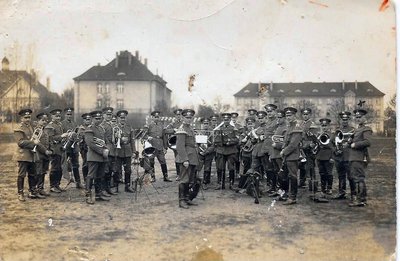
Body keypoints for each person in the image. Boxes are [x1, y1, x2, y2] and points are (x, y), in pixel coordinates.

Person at [14, 109, 41, 201]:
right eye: (25, 117)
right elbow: (20, 143)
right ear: (21, 118)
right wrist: (33, 142)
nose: (28, 119)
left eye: (29, 117)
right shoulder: (19, 128)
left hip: (31, 154)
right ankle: (20, 193)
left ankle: (32, 191)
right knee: (22, 174)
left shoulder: (31, 127)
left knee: (32, 174)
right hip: (23, 155)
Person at [175, 109, 200, 208]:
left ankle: (187, 198)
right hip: (186, 158)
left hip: (192, 157)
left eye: (190, 118)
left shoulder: (190, 128)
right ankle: (181, 201)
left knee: (190, 179)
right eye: (187, 117)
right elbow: (180, 146)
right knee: (184, 179)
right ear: (182, 118)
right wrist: (185, 159)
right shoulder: (182, 130)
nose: (189, 119)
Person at [84, 110, 110, 204]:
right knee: (91, 175)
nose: (98, 120)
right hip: (94, 156)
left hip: (103, 156)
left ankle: (98, 194)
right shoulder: (89, 129)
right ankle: (88, 195)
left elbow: (106, 141)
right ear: (92, 119)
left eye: (100, 118)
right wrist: (102, 151)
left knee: (100, 175)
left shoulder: (101, 128)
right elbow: (90, 143)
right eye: (96, 118)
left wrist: (107, 149)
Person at [348, 108, 372, 207]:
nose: (358, 119)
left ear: (364, 117)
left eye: (360, 117)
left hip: (359, 157)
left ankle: (361, 200)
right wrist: (350, 140)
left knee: (359, 178)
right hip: (353, 157)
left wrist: (355, 144)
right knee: (355, 177)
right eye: (356, 117)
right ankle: (360, 198)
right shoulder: (357, 129)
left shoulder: (366, 129)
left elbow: (367, 142)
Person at [280, 107, 302, 205]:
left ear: (294, 115)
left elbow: (293, 145)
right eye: (287, 116)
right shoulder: (289, 126)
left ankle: (293, 197)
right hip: (287, 156)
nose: (288, 117)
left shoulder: (297, 127)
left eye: (290, 115)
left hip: (292, 156)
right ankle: (285, 194)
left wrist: (284, 151)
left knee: (293, 176)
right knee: (284, 176)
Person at [142, 111, 172, 182]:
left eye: (157, 117)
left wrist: (165, 147)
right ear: (152, 118)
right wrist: (148, 137)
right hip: (152, 146)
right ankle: (153, 177)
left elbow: (164, 136)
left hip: (160, 145)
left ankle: (165, 176)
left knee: (163, 161)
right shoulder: (148, 126)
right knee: (151, 161)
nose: (156, 118)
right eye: (155, 117)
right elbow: (143, 136)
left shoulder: (161, 126)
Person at [45, 108, 69, 193]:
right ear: (52, 116)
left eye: (59, 116)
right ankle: (52, 186)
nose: (58, 118)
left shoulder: (59, 125)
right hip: (54, 150)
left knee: (60, 168)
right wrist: (62, 136)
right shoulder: (50, 126)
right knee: (55, 168)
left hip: (61, 149)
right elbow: (50, 139)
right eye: (56, 116)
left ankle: (57, 185)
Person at [332, 111, 355, 200]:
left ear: (348, 120)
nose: (344, 121)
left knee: (350, 176)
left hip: (348, 156)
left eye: (346, 119)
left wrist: (349, 144)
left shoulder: (352, 130)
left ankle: (353, 194)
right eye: (343, 119)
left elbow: (354, 141)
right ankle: (342, 192)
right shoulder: (337, 130)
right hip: (339, 157)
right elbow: (332, 142)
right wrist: (335, 150)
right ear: (340, 120)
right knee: (341, 176)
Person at [214, 113, 239, 190]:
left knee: (231, 168)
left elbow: (237, 139)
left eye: (227, 120)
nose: (226, 121)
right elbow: (215, 139)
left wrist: (229, 142)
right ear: (223, 120)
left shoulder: (234, 129)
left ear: (230, 120)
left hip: (231, 150)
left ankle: (231, 184)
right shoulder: (219, 129)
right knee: (220, 167)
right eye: (225, 120)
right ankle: (220, 183)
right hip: (221, 150)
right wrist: (221, 142)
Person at [114, 110, 137, 193]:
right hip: (118, 151)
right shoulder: (115, 127)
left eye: (124, 118)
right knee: (116, 169)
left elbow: (132, 140)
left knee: (128, 169)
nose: (122, 119)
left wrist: (134, 151)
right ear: (118, 118)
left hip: (127, 151)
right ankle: (115, 187)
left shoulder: (129, 127)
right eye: (121, 118)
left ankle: (127, 186)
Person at [61, 107, 83, 189]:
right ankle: (58, 184)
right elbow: (61, 135)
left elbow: (77, 134)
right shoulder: (61, 124)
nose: (69, 116)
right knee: (64, 165)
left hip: (73, 147)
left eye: (70, 114)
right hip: (66, 147)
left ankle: (78, 182)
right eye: (67, 114)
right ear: (65, 115)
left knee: (76, 165)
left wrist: (77, 137)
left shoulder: (74, 124)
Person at [33, 112, 53, 197]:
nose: (44, 122)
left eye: (46, 120)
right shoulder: (36, 130)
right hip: (38, 154)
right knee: (38, 172)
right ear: (38, 120)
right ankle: (35, 189)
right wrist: (45, 151)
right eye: (42, 120)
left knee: (43, 172)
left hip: (45, 155)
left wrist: (51, 149)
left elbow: (48, 141)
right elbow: (37, 143)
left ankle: (41, 188)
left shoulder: (45, 130)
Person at [100, 107, 118, 195]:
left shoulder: (112, 125)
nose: (109, 116)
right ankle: (102, 189)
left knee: (110, 170)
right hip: (106, 149)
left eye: (110, 114)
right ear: (103, 115)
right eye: (107, 114)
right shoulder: (102, 125)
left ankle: (108, 188)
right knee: (105, 170)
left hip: (113, 150)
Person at [269, 109, 287, 197]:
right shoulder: (277, 127)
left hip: (280, 155)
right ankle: (278, 190)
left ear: (284, 118)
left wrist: (276, 146)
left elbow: (285, 142)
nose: (278, 119)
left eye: (280, 117)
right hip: (274, 154)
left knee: (282, 174)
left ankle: (283, 192)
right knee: (276, 173)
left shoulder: (285, 128)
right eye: (277, 117)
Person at [315, 118, 335, 196]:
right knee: (322, 173)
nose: (324, 127)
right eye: (322, 125)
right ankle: (323, 188)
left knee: (329, 173)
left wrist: (332, 157)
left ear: (328, 126)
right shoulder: (319, 135)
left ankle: (329, 188)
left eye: (325, 125)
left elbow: (335, 147)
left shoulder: (332, 135)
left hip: (328, 157)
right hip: (320, 156)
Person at [164, 108, 183, 180]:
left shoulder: (184, 123)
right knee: (177, 159)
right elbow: (165, 130)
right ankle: (178, 174)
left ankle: (184, 174)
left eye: (180, 114)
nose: (178, 116)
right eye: (177, 115)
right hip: (176, 144)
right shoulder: (172, 124)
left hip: (183, 143)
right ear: (175, 116)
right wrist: (173, 130)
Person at [196, 117, 215, 189]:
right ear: (201, 124)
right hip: (200, 153)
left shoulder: (212, 133)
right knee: (198, 167)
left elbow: (213, 145)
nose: (205, 125)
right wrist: (200, 151)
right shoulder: (198, 132)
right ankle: (197, 182)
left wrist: (206, 151)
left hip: (208, 153)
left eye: (207, 123)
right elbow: (196, 144)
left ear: (209, 124)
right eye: (204, 123)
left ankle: (205, 182)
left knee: (207, 168)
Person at [79, 113, 92, 186]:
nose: (87, 121)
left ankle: (90, 180)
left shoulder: (92, 127)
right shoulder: (81, 128)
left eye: (89, 119)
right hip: (84, 149)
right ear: (83, 120)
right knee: (86, 164)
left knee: (92, 165)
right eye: (86, 119)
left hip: (91, 148)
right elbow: (81, 138)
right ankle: (85, 180)